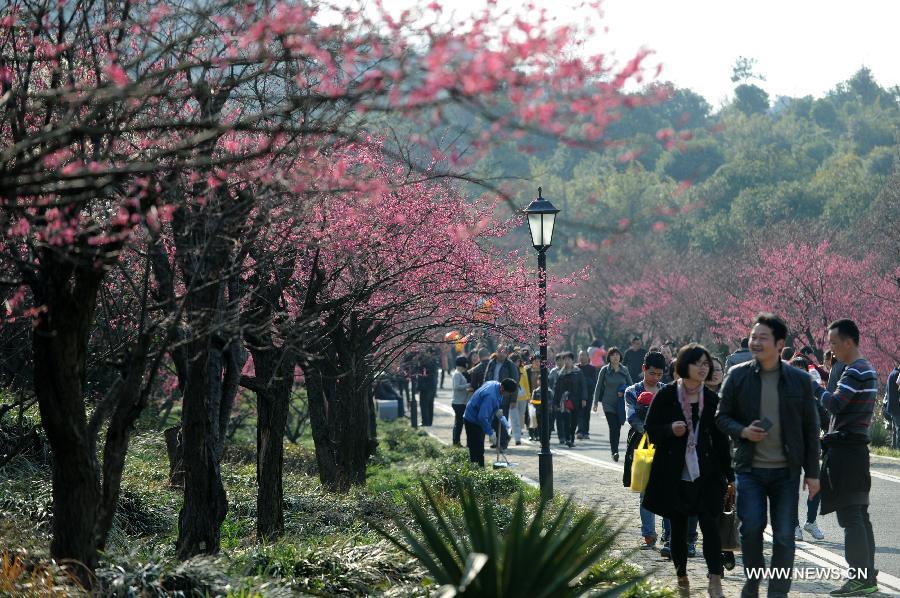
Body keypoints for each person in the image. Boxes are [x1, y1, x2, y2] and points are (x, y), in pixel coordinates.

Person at [715, 313, 821, 598]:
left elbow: (811, 429)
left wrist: (812, 473)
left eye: (763, 337)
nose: (756, 342)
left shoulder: (799, 380)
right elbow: (721, 417)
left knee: (785, 535)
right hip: (749, 469)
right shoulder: (738, 376)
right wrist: (743, 431)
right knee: (751, 528)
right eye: (753, 337)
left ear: (780, 343)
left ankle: (778, 592)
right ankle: (753, 577)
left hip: (787, 472)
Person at [642, 344, 734, 597]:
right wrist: (670, 429)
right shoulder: (667, 395)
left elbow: (722, 442)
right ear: (685, 366)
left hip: (708, 475)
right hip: (675, 474)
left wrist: (730, 477)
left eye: (707, 364)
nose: (704, 368)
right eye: (699, 364)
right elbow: (651, 429)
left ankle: (715, 578)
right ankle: (681, 575)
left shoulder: (713, 399)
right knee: (679, 528)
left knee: (710, 526)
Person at [812, 319, 879, 597]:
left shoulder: (855, 371)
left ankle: (859, 578)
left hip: (847, 450)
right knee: (859, 515)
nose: (832, 350)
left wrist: (815, 386)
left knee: (850, 515)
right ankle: (867, 575)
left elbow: (835, 403)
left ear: (849, 342)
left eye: (834, 344)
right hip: (856, 450)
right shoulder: (866, 369)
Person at [622, 351, 667, 549]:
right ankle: (648, 534)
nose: (655, 378)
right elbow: (632, 418)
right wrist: (652, 432)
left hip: (666, 446)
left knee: (668, 490)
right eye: (652, 373)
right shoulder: (632, 391)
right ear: (643, 369)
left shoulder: (666, 390)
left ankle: (669, 533)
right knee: (646, 491)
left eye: (659, 374)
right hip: (643, 444)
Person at [788, 355, 827, 543]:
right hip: (790, 450)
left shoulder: (812, 397)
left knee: (816, 486)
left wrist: (827, 435)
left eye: (802, 371)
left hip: (811, 449)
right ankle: (794, 525)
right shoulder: (782, 397)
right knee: (792, 489)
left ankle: (810, 522)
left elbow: (826, 421)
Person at [706, 356, 736, 572]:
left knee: (726, 507)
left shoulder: (729, 396)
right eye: (711, 369)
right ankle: (716, 558)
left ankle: (726, 548)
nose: (716, 373)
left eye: (719, 369)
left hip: (728, 460)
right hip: (704, 462)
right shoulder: (695, 396)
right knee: (710, 513)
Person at [462, 379, 517, 467]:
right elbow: (482, 417)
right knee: (477, 449)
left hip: (476, 416)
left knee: (479, 447)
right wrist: (490, 432)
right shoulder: (491, 396)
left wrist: (496, 411)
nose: (507, 395)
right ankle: (477, 471)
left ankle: (478, 468)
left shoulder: (495, 384)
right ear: (502, 388)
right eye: (507, 393)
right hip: (472, 420)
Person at [592, 347, 633, 461]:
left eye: (617, 355)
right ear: (609, 357)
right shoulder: (604, 370)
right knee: (613, 426)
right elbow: (598, 387)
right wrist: (595, 402)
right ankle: (614, 451)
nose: (615, 357)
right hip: (608, 403)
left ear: (620, 357)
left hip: (620, 404)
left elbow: (631, 387)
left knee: (618, 427)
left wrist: (631, 398)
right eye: (612, 355)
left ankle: (615, 449)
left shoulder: (624, 370)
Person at [553, 352, 587, 447]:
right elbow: (557, 389)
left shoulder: (578, 372)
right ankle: (568, 439)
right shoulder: (560, 374)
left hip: (576, 400)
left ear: (573, 360)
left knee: (574, 421)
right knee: (566, 420)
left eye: (569, 359)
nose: (567, 361)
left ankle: (571, 437)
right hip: (564, 401)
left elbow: (583, 386)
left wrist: (584, 398)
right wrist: (555, 402)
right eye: (565, 360)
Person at [577, 350, 600, 439]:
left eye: (584, 355)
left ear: (588, 357)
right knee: (579, 413)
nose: (582, 357)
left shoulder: (592, 368)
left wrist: (585, 381)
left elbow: (594, 382)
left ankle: (586, 432)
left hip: (588, 395)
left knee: (586, 413)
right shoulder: (576, 368)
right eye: (580, 355)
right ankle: (579, 431)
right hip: (578, 394)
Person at [450, 356, 470, 447]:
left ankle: (456, 441)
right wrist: (467, 385)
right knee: (459, 424)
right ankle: (456, 442)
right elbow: (456, 387)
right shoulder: (457, 374)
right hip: (458, 402)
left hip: (460, 401)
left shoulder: (458, 373)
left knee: (458, 423)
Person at [418, 348, 439, 426]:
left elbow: (423, 374)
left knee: (424, 404)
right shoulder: (434, 361)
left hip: (425, 386)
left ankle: (425, 422)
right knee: (430, 404)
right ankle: (429, 421)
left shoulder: (425, 362)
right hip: (432, 385)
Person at [885, 363, 900, 449]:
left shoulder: (892, 373)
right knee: (899, 428)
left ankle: (894, 448)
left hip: (891, 405)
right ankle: (898, 448)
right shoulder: (897, 375)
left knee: (895, 429)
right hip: (897, 406)